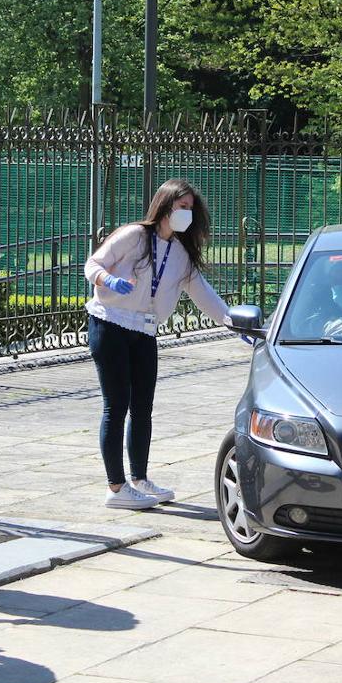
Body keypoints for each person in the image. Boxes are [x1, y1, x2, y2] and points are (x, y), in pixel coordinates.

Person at [84, 179, 232, 509]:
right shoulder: (134, 235)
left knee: (143, 408)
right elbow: (92, 264)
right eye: (182, 208)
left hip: (145, 330)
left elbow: (204, 295)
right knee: (116, 404)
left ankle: (139, 478)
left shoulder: (180, 253)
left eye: (191, 209)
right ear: (164, 207)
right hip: (110, 322)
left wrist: (236, 325)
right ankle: (116, 486)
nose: (187, 215)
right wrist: (108, 280)